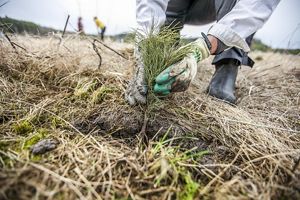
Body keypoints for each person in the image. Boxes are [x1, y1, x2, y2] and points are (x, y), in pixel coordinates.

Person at [125, 0, 280, 105]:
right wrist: (146, 45)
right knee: (161, 30)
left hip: (218, 5)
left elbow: (255, 5)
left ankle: (227, 65)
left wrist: (203, 48)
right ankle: (165, 60)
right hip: (181, 5)